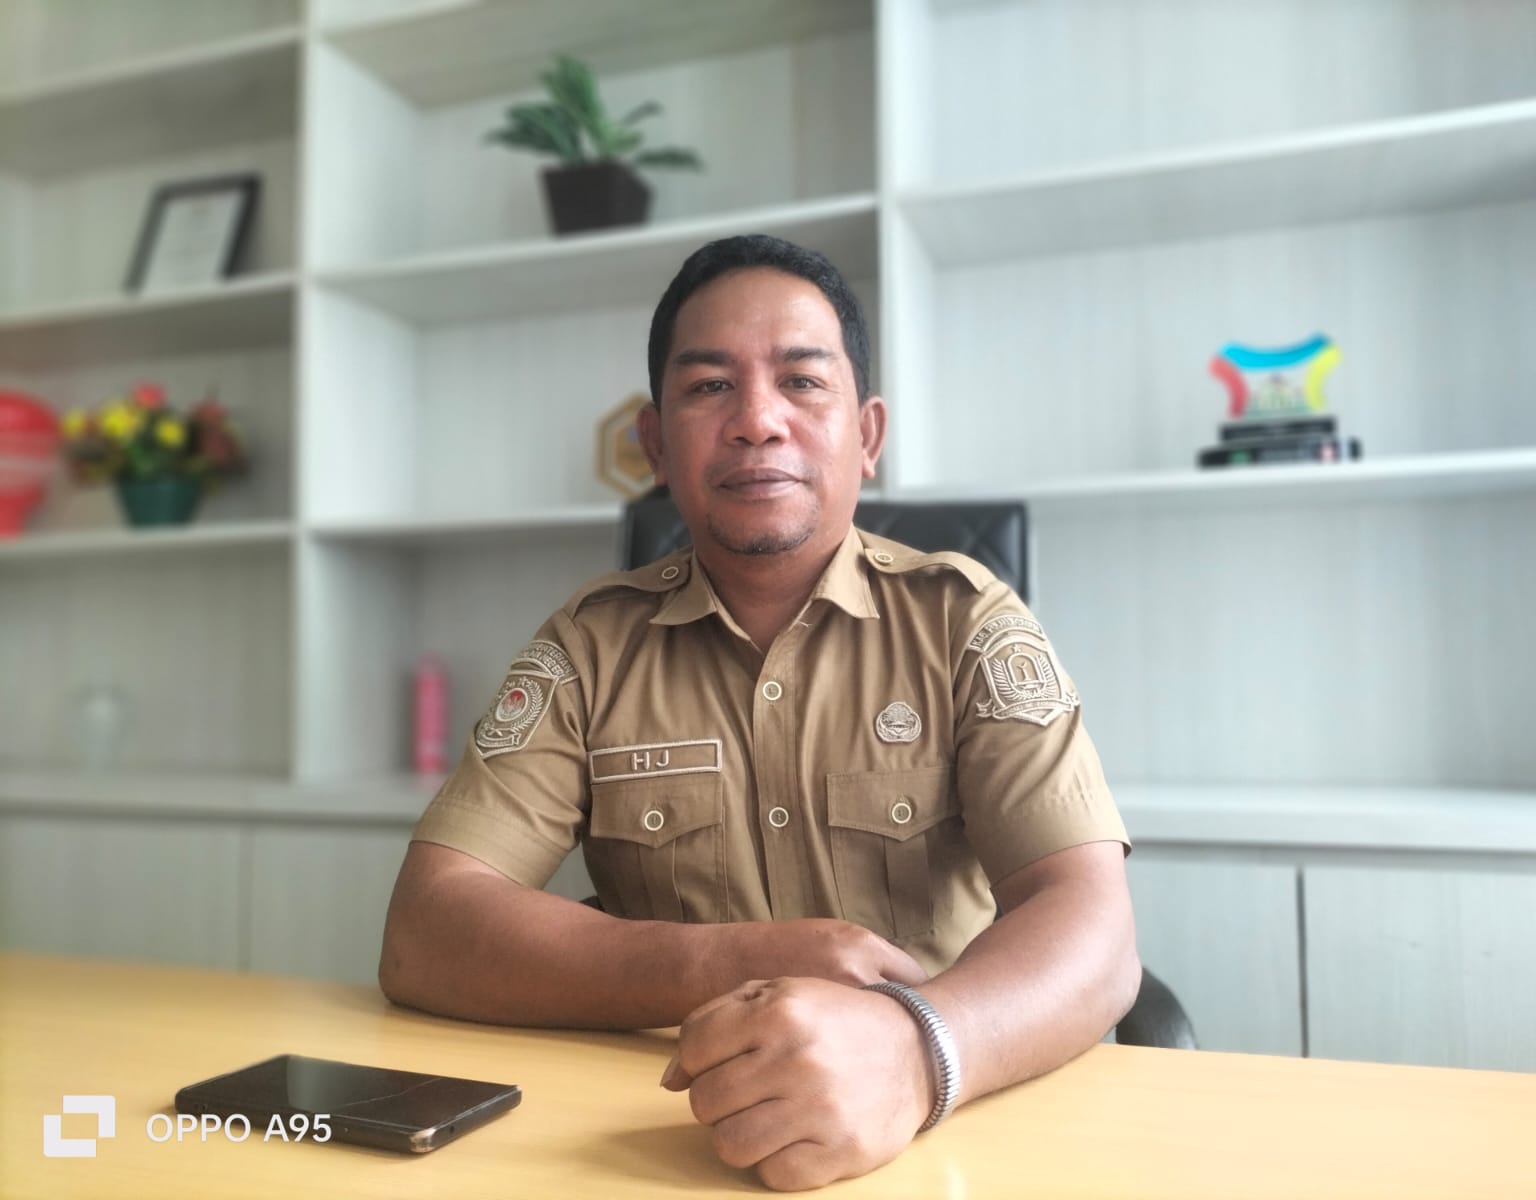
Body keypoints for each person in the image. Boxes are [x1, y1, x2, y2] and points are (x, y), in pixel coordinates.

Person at [380, 234, 1139, 1191]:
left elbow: (1094, 928)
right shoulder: (590, 645)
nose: (757, 422)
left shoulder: (965, 621)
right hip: (654, 1133)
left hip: (945, 1128)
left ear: (867, 435)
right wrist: (732, 961)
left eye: (802, 381)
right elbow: (426, 930)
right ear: (657, 447)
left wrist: (918, 1053)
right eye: (709, 387)